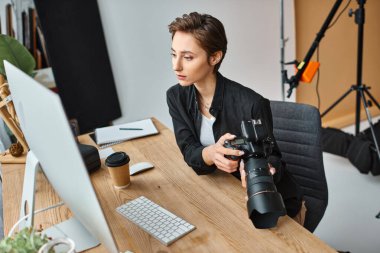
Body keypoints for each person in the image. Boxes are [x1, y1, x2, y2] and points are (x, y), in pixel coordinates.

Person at [166, 12, 305, 224]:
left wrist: (266, 168)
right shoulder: (176, 96)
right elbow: (188, 149)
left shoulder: (252, 104)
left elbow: (273, 156)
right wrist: (211, 154)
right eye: (173, 54)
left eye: (188, 57)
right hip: (225, 196)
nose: (176, 66)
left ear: (214, 57)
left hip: (276, 205)